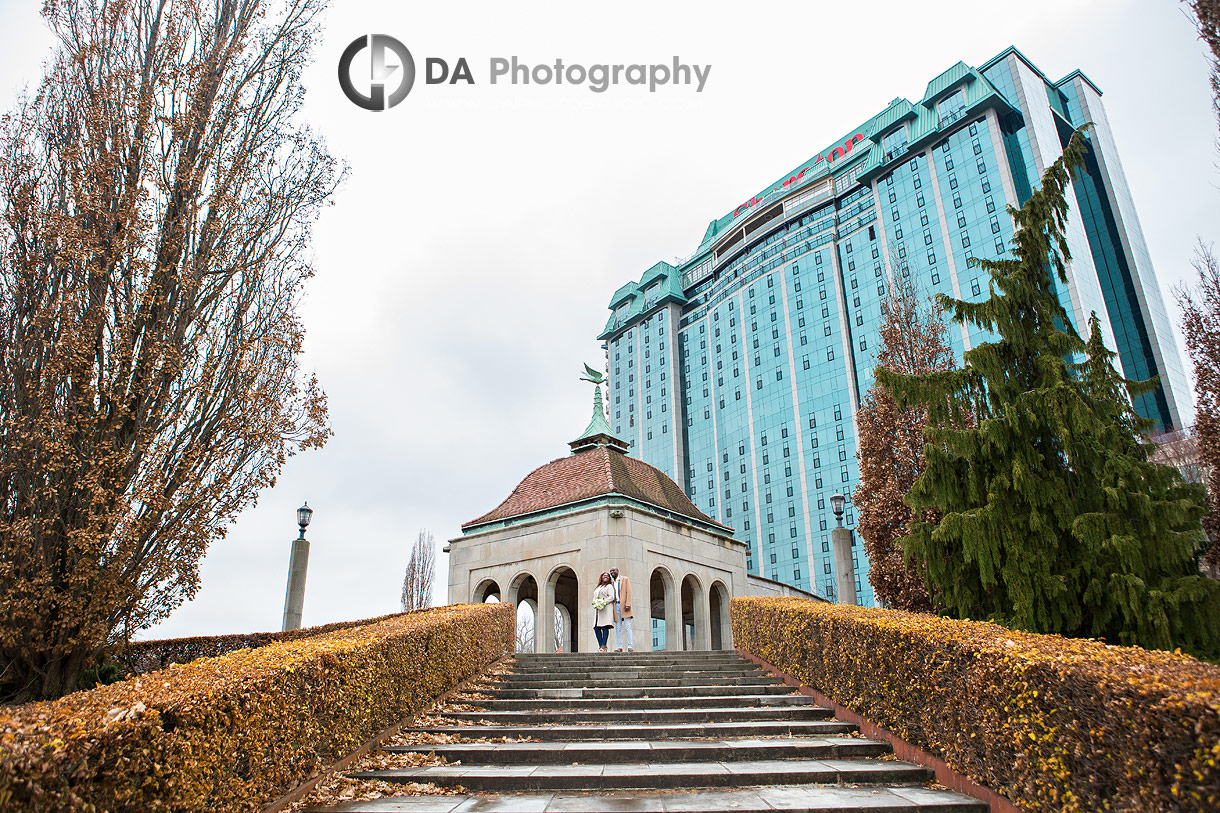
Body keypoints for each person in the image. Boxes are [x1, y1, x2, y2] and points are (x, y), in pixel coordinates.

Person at [610, 566, 634, 652]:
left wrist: (628, 603)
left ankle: (630, 646)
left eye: (614, 570)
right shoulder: (611, 582)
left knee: (628, 626)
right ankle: (619, 647)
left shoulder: (625, 579)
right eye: (611, 571)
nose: (612, 572)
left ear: (618, 571)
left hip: (624, 605)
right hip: (616, 605)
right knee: (618, 627)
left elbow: (629, 591)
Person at [592, 571, 616, 652]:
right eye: (604, 575)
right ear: (601, 577)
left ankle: (603, 646)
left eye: (607, 576)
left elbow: (612, 597)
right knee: (596, 628)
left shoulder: (609, 586)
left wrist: (603, 602)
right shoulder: (598, 587)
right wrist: (595, 603)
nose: (605, 577)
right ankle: (602, 646)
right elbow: (594, 597)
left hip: (606, 609)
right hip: (598, 611)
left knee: (605, 627)